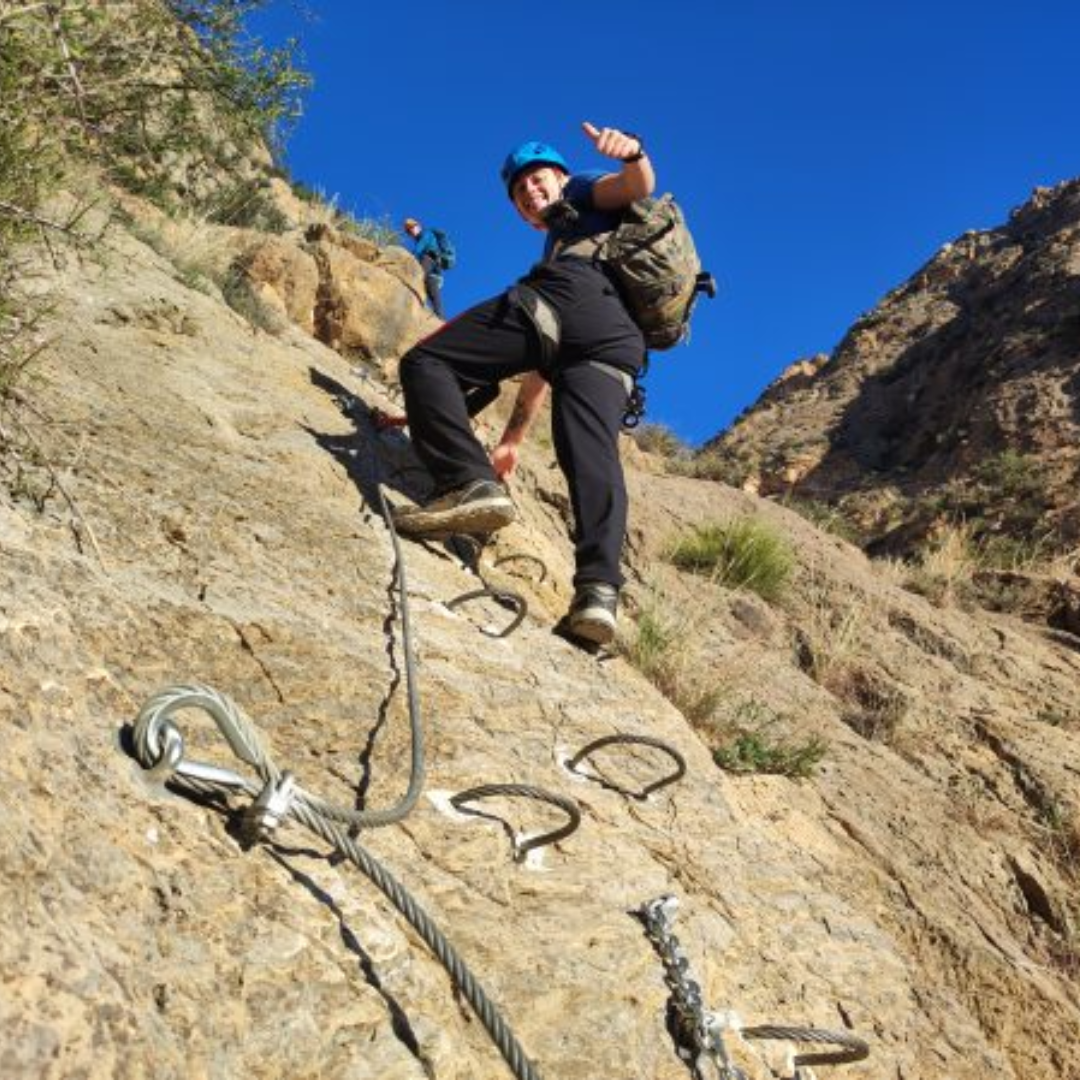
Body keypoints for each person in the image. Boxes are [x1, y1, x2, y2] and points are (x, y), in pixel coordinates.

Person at [392, 122, 655, 647]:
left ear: (560, 178)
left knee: (426, 362)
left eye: (538, 181)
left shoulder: (583, 191)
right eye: (521, 192)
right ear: (520, 213)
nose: (531, 192)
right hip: (616, 342)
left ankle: (467, 483)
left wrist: (634, 155)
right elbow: (541, 365)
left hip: (569, 301)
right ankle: (598, 595)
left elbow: (636, 187)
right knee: (590, 457)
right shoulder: (571, 240)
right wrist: (512, 439)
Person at [402, 217, 448, 319]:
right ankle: (440, 320)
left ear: (418, 226)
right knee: (433, 295)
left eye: (411, 228)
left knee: (419, 277)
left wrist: (409, 257)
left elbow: (420, 248)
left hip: (430, 260)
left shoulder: (426, 234)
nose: (411, 232)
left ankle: (440, 320)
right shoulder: (423, 237)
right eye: (409, 231)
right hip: (434, 272)